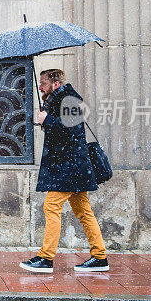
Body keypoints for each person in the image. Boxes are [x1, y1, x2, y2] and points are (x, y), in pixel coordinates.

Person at [19, 69, 109, 273]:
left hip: (70, 168)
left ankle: (46, 257)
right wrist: (46, 119)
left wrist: (48, 120)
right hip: (71, 167)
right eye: (40, 83)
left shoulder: (68, 100)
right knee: (84, 212)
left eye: (43, 83)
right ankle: (100, 256)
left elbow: (72, 130)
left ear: (56, 84)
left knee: (51, 207)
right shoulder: (58, 101)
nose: (40, 87)